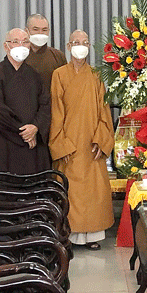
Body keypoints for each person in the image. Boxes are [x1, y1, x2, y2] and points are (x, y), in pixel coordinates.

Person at [49, 30, 114, 250]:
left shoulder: (96, 75)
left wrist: (102, 139)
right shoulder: (59, 75)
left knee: (94, 192)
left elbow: (104, 111)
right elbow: (56, 112)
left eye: (85, 42)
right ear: (68, 46)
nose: (80, 46)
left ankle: (93, 236)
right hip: (69, 143)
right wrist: (61, 143)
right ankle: (69, 234)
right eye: (76, 42)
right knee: (70, 191)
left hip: (91, 143)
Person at [0, 28, 51, 175]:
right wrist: (23, 133)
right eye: (15, 42)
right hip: (7, 144)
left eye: (25, 42)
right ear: (5, 46)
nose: (21, 45)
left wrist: (35, 127)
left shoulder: (35, 75)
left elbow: (45, 105)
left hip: (34, 144)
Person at [24, 14, 67, 93]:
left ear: (48, 31)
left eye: (44, 30)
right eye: (35, 29)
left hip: (51, 104)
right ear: (26, 31)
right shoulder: (19, 56)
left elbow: (64, 87)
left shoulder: (58, 56)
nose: (40, 33)